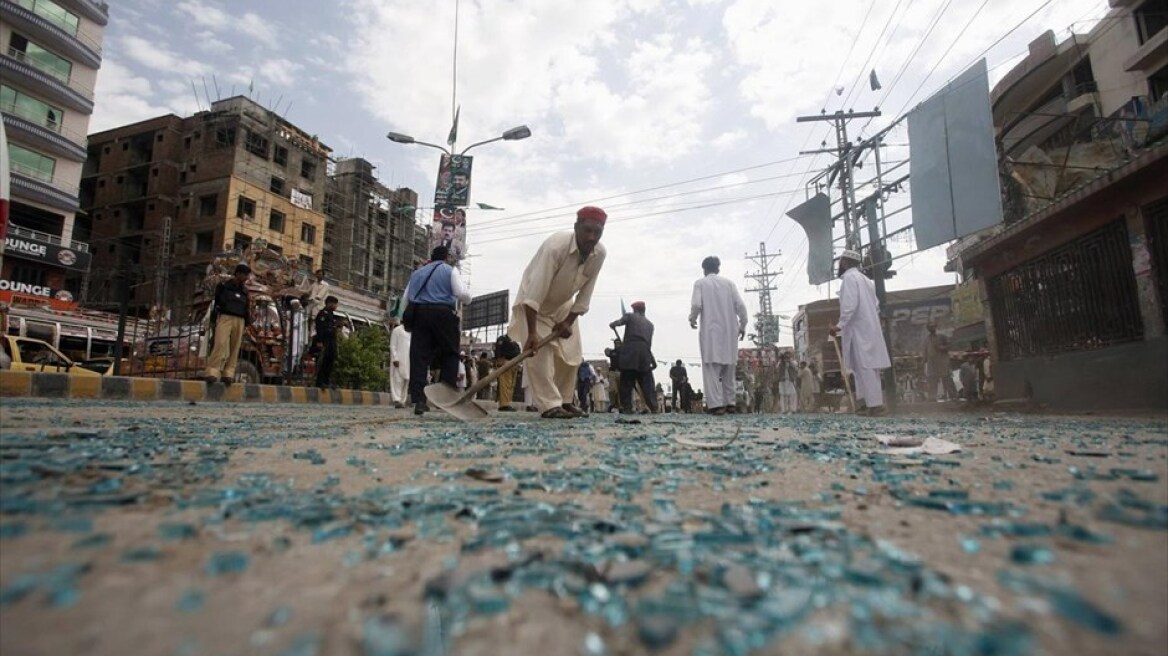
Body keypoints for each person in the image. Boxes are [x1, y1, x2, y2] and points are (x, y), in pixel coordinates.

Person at [507, 206, 608, 419]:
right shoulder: (556, 247)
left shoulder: (599, 254)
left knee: (572, 353)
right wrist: (532, 333)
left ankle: (564, 400)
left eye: (597, 232)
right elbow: (534, 294)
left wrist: (568, 321)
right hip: (534, 304)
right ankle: (550, 405)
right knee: (540, 356)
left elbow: (585, 294)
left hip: (563, 304)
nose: (591, 237)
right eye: (587, 230)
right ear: (576, 227)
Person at [405, 245, 472, 415]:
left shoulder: (417, 273)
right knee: (450, 353)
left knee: (419, 356)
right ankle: (445, 397)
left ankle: (419, 400)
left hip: (420, 314)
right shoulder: (450, 270)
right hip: (443, 314)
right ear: (447, 257)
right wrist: (467, 298)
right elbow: (461, 293)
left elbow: (406, 297)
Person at [829, 250, 892, 416]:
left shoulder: (850, 279)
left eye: (841, 261)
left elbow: (850, 305)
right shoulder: (866, 280)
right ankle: (865, 403)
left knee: (866, 367)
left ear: (845, 262)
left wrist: (839, 326)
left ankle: (875, 405)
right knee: (860, 367)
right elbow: (876, 305)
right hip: (868, 328)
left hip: (859, 331)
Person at [689, 256, 748, 416]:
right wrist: (742, 325)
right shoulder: (729, 284)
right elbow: (741, 306)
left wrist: (692, 318)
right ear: (718, 268)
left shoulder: (700, 283)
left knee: (711, 370)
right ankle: (730, 404)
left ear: (704, 269)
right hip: (730, 332)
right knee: (729, 368)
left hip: (711, 333)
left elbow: (696, 304)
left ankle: (716, 405)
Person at [204, 264, 252, 385]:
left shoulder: (245, 291)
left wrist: (246, 324)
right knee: (220, 344)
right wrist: (214, 321)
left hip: (240, 320)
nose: (246, 278)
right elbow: (217, 303)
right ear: (238, 273)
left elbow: (246, 308)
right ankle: (212, 372)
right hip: (225, 317)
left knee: (235, 348)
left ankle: (228, 374)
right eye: (245, 275)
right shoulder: (224, 286)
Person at [610, 301, 658, 415]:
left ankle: (627, 408)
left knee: (626, 380)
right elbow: (649, 344)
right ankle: (654, 407)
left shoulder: (630, 316)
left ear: (635, 309)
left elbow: (619, 322)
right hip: (645, 354)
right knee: (647, 384)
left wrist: (613, 324)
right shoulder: (650, 324)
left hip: (631, 352)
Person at [923, 322, 958, 402]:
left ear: (935, 327)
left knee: (947, 379)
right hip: (932, 363)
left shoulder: (941, 336)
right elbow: (925, 351)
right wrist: (924, 360)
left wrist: (942, 348)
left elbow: (950, 345)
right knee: (932, 380)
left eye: (933, 326)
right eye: (929, 327)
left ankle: (954, 396)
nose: (931, 328)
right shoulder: (927, 339)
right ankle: (932, 397)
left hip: (942, 361)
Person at [313, 295, 339, 389]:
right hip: (325, 341)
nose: (336, 306)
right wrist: (320, 341)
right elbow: (320, 328)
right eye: (335, 304)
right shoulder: (322, 314)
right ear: (329, 303)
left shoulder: (331, 315)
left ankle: (326, 381)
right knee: (323, 361)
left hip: (331, 342)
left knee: (330, 361)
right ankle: (320, 382)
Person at [493, 334, 522, 411]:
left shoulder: (515, 341)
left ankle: (508, 402)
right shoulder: (502, 339)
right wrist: (499, 360)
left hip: (514, 363)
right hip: (505, 361)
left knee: (511, 385)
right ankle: (504, 404)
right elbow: (498, 349)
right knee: (505, 384)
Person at [389, 320, 411, 408]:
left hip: (408, 360)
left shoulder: (411, 332)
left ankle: (403, 400)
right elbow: (393, 346)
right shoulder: (397, 330)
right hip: (399, 360)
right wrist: (395, 358)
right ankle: (396, 399)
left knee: (406, 380)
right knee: (397, 379)